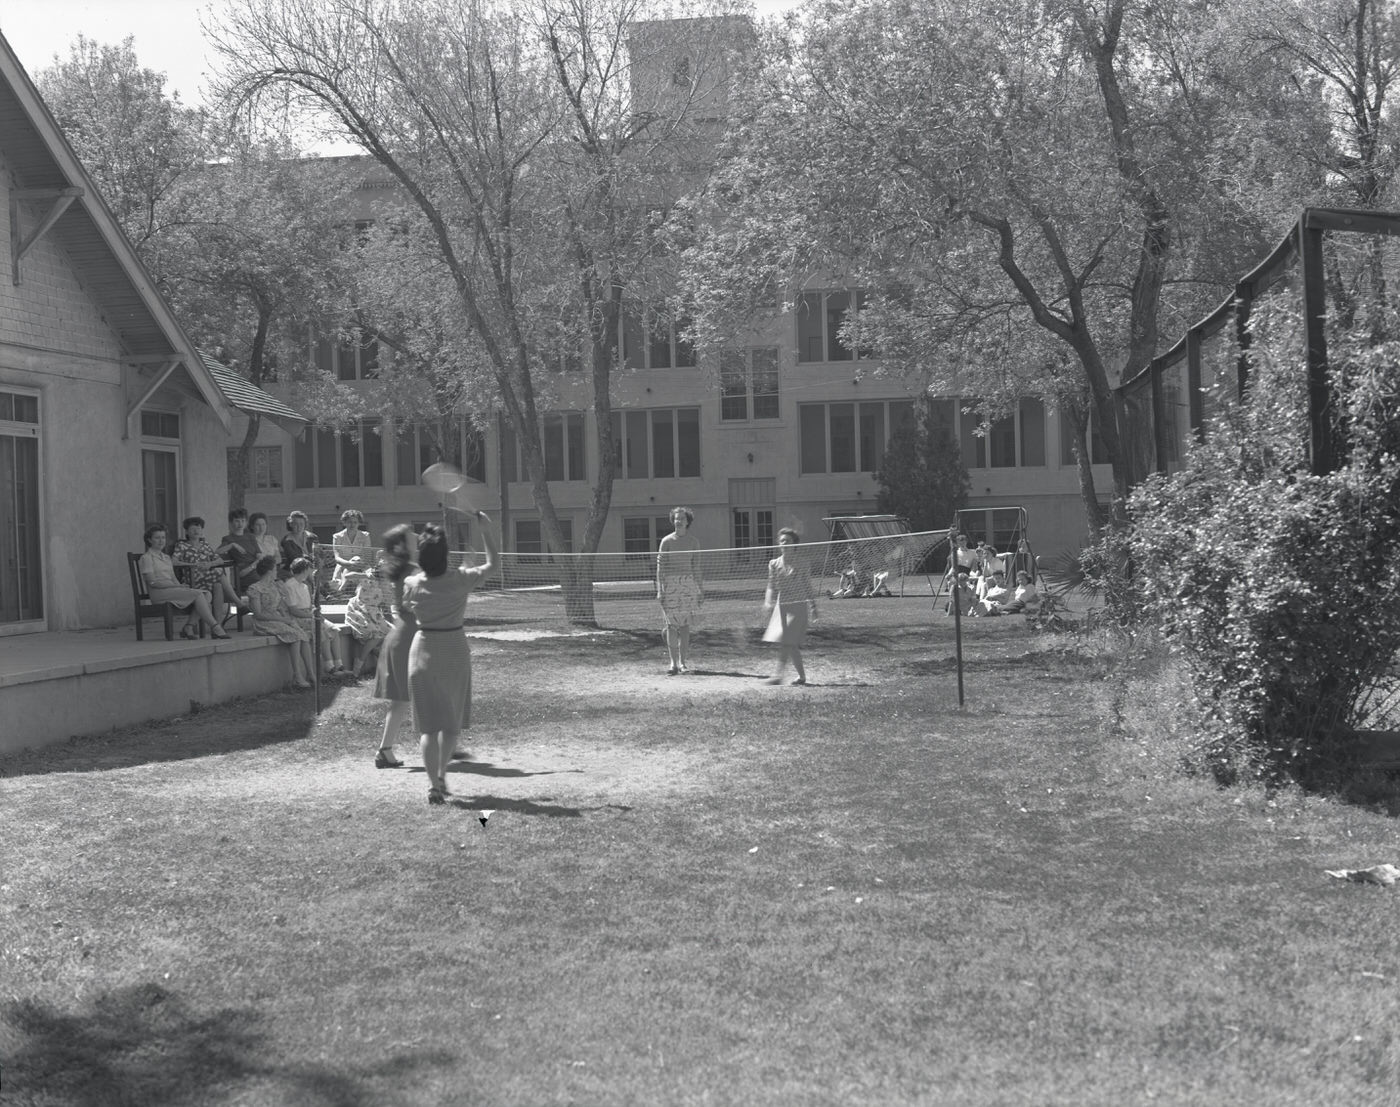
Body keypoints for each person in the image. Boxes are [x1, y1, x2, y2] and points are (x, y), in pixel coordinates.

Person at [402, 516, 500, 806]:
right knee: (451, 725)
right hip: (454, 651)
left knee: (428, 728)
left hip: (422, 652)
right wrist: (486, 530)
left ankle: (434, 786)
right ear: (446, 554)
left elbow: (409, 601)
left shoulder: (412, 582)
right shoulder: (461, 578)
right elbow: (494, 564)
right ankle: (442, 775)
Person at [370, 524, 419, 769]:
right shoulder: (412, 570)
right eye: (411, 535)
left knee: (404, 700)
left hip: (405, 634)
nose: (417, 536)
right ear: (401, 545)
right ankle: (442, 743)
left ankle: (385, 750)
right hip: (409, 636)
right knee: (407, 698)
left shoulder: (408, 568)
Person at [137, 523, 228, 640]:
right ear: (149, 540)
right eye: (157, 538)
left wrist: (180, 586)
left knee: (207, 594)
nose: (161, 541)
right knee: (198, 594)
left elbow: (173, 577)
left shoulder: (166, 557)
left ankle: (189, 626)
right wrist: (175, 585)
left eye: (163, 538)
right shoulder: (146, 558)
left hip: (172, 590)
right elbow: (152, 582)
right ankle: (215, 627)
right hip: (159, 593)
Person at [246, 554, 313, 689]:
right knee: (296, 636)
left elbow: (282, 606)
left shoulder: (276, 585)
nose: (277, 571)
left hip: (279, 618)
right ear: (270, 572)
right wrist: (282, 619)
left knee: (303, 635)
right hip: (264, 622)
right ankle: (297, 676)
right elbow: (258, 614)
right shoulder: (255, 588)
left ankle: (311, 674)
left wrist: (288, 619)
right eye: (275, 569)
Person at [762, 527, 818, 685]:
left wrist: (813, 607)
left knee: (788, 642)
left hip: (798, 606)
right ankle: (802, 677)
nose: (784, 543)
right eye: (782, 541)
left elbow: (808, 586)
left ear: (794, 544)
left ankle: (778, 675)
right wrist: (768, 602)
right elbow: (771, 586)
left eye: (787, 541)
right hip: (782, 606)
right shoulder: (773, 563)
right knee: (790, 644)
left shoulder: (803, 562)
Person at [281, 556, 349, 678]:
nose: (311, 571)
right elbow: (293, 610)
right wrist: (312, 616)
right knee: (322, 631)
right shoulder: (290, 585)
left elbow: (309, 605)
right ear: (304, 569)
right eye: (309, 568)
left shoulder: (304, 585)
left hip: (308, 615)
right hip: (298, 618)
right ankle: (329, 667)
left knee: (334, 629)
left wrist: (315, 612)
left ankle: (339, 664)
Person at [656, 506, 704, 675]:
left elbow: (696, 567)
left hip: (688, 585)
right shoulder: (666, 541)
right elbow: (660, 567)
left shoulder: (693, 542)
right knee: (670, 626)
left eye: (682, 518)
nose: (679, 521)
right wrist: (660, 590)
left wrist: (700, 589)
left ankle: (683, 663)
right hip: (670, 586)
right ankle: (673, 663)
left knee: (684, 627)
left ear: (687, 521)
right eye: (676, 518)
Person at [172, 516, 243, 625]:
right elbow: (174, 561)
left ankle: (218, 625)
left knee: (218, 585)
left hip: (208, 579)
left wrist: (210, 564)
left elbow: (219, 560)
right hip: (192, 579)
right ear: (186, 531)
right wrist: (194, 565)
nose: (196, 531)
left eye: (199, 528)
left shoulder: (205, 545)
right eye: (193, 529)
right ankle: (238, 603)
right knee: (218, 573)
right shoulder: (182, 545)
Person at [345, 566, 394, 678]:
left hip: (374, 613)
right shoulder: (366, 578)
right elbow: (347, 576)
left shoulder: (384, 585)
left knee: (394, 634)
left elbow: (385, 604)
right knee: (376, 635)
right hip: (358, 610)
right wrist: (363, 575)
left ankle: (385, 662)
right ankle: (359, 664)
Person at [331, 509, 374, 594]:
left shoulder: (365, 536)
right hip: (343, 566)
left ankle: (343, 590)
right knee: (335, 586)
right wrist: (349, 564)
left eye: (355, 522)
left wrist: (357, 565)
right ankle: (341, 589)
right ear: (344, 523)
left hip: (362, 565)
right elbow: (337, 557)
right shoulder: (337, 537)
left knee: (371, 577)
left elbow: (367, 556)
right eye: (349, 522)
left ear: (359, 523)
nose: (352, 524)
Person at [220, 508, 262, 595]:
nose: (240, 524)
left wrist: (255, 564)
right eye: (237, 521)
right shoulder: (228, 539)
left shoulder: (250, 537)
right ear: (231, 523)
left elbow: (259, 554)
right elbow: (217, 552)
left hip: (256, 569)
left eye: (243, 521)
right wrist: (233, 545)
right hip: (243, 574)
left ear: (246, 523)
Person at [280, 510, 315, 580]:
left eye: (301, 524)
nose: (299, 527)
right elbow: (295, 559)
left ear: (305, 524)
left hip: (313, 569)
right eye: (295, 524)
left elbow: (319, 555)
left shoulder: (312, 537)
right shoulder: (287, 541)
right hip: (295, 572)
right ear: (290, 525)